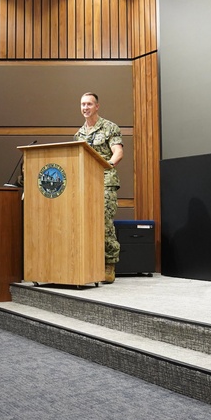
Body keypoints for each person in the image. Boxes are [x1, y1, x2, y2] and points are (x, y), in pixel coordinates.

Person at [73, 92, 124, 283]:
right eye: (82, 104)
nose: (85, 107)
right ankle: (89, 263)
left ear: (97, 106)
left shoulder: (109, 127)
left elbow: (118, 152)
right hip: (84, 181)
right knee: (83, 221)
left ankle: (109, 263)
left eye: (88, 104)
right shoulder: (78, 134)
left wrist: (109, 163)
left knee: (103, 220)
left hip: (105, 179)